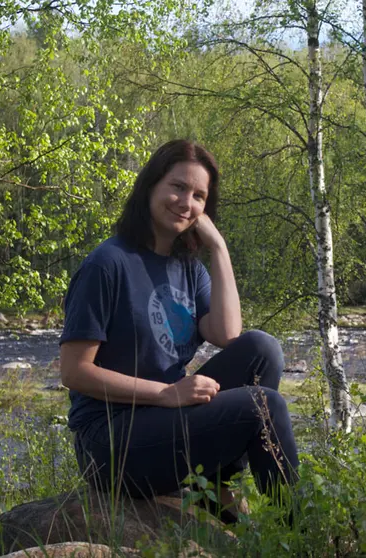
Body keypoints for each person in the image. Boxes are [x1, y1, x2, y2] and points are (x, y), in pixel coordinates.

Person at [59, 139, 299, 520]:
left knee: (262, 349)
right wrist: (166, 393)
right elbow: (74, 371)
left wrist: (219, 248)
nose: (186, 202)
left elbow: (227, 334)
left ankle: (215, 487)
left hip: (165, 421)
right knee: (264, 404)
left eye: (199, 195)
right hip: (110, 440)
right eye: (177, 187)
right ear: (151, 185)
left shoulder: (189, 267)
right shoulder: (107, 264)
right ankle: (297, 534)